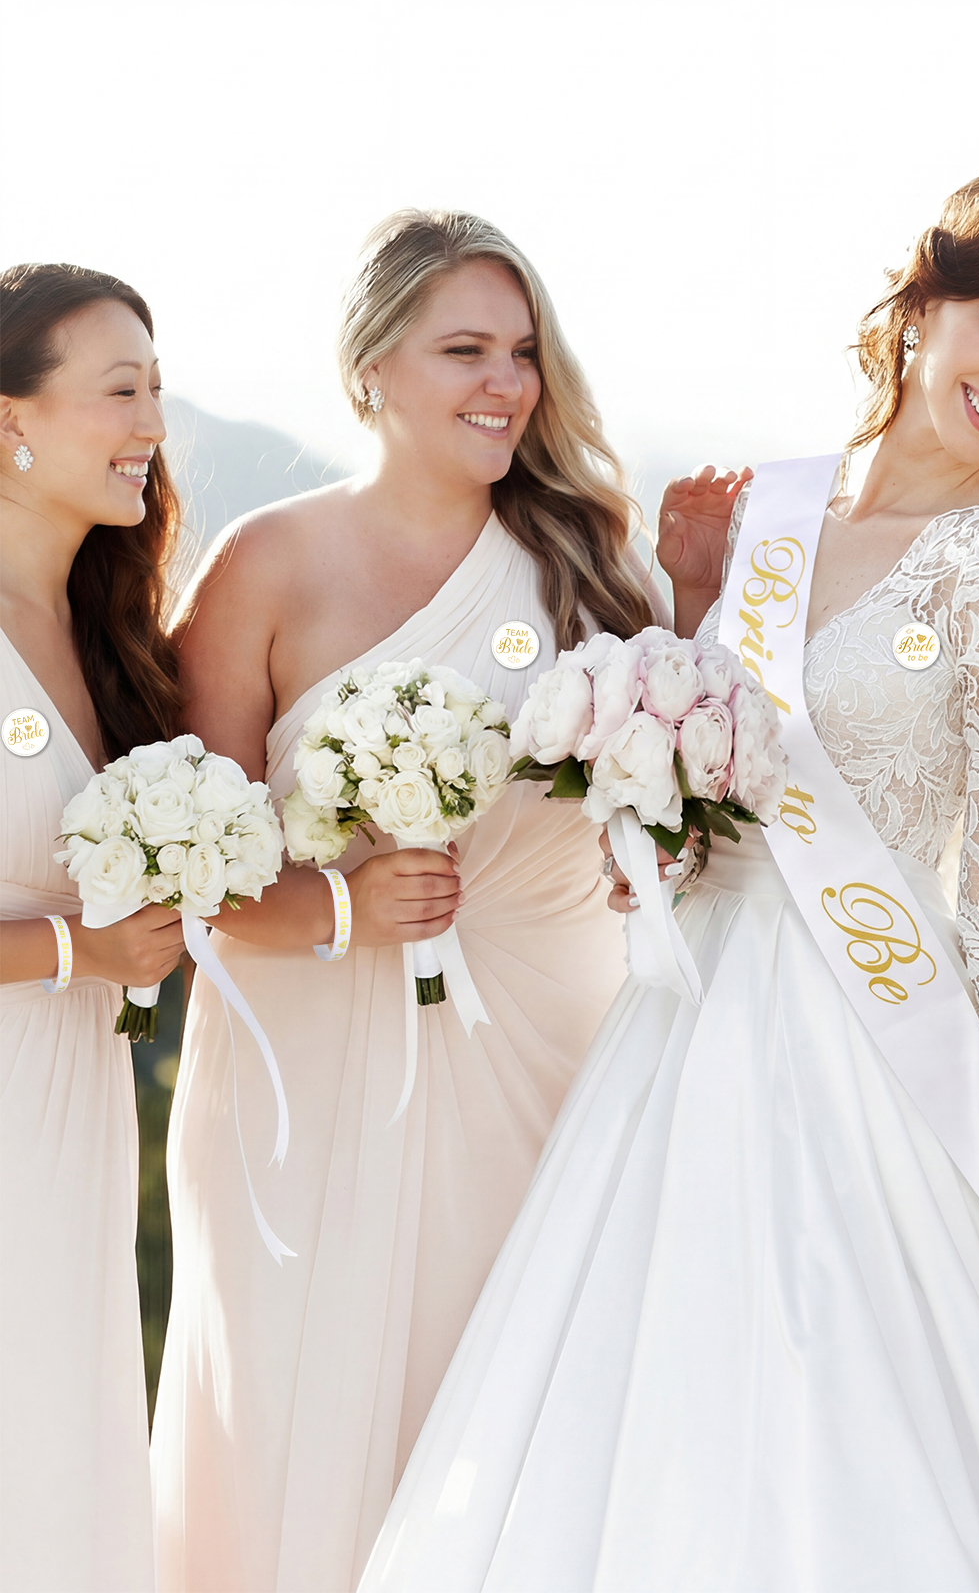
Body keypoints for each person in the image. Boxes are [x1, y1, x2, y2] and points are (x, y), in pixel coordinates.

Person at [359, 155, 979, 1593]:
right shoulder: (779, 514)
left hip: (881, 1053)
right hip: (687, 1029)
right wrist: (682, 647)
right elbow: (725, 780)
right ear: (919, 309)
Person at [151, 210, 662, 1592]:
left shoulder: (593, 569)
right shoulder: (266, 563)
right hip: (305, 1078)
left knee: (503, 1415)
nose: (506, 383)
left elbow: (669, 808)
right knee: (294, 1425)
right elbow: (189, 873)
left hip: (547, 1054)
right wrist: (344, 910)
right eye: (464, 350)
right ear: (371, 365)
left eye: (522, 351)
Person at [0, 263, 188, 1592]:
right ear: (10, 418)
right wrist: (83, 953)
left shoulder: (108, 629)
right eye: (120, 390)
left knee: (59, 1456)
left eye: (159, 389)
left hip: (73, 1103)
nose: (153, 425)